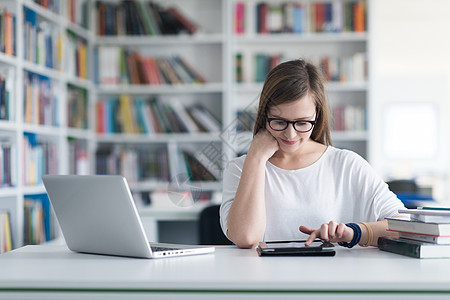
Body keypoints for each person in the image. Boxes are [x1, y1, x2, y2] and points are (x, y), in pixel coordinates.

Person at [220, 59, 405, 249]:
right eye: (279, 121)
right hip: (266, 278)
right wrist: (256, 158)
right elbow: (246, 237)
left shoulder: (347, 165)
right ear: (264, 114)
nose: (290, 134)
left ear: (317, 116)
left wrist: (353, 232)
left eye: (302, 123)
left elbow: (406, 228)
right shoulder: (241, 168)